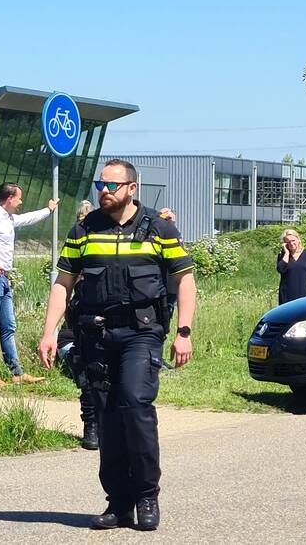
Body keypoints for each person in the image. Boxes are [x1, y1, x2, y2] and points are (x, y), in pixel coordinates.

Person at [37, 159, 196, 531]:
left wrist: (183, 332)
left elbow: (184, 281)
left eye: (111, 185)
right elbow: (64, 283)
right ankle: (119, 502)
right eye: (100, 185)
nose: (104, 191)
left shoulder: (159, 228)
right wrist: (49, 331)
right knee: (107, 414)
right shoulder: (84, 230)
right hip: (96, 334)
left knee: (135, 403)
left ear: (131, 188)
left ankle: (146, 495)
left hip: (142, 332)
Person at [0, 182, 58, 387]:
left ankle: (16, 373)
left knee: (8, 326)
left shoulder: (7, 218)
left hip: (3, 278)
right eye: (19, 198)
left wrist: (48, 210)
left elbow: (25, 219)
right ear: (9, 198)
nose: (21, 201)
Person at [57, 200, 98, 450]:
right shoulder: (78, 242)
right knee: (87, 374)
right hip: (77, 334)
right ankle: (91, 426)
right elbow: (62, 284)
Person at [276, 228, 306, 304]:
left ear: (298, 240)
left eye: (293, 240)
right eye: (288, 242)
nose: (291, 243)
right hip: (286, 296)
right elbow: (280, 270)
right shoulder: (283, 255)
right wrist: (287, 253)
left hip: (304, 295)